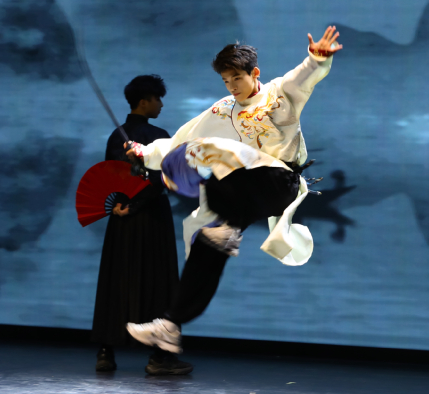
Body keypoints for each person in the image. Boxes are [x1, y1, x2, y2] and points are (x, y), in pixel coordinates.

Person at [124, 26, 343, 354]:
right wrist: (144, 153)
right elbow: (181, 141)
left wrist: (318, 57)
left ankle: (226, 225)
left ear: (255, 73)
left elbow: (304, 76)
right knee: (206, 246)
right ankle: (171, 324)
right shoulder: (222, 109)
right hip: (244, 194)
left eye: (237, 79)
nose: (232, 87)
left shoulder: (279, 93)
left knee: (216, 152)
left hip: (278, 183)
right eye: (226, 81)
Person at [91, 74, 193, 375]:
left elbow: (111, 175)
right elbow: (164, 179)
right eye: (158, 99)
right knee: (158, 283)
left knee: (116, 280)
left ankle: (105, 352)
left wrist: (122, 203)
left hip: (121, 216)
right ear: (144, 101)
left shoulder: (116, 136)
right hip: (151, 217)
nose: (161, 104)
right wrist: (137, 203)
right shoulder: (160, 136)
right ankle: (160, 358)